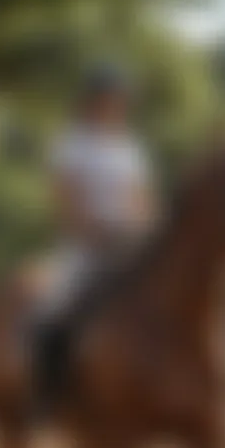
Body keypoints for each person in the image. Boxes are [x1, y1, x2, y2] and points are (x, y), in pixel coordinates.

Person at [33, 62, 155, 413]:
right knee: (53, 309)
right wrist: (95, 231)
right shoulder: (70, 144)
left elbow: (142, 198)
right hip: (85, 245)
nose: (115, 106)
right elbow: (64, 199)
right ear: (89, 103)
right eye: (107, 99)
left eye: (119, 100)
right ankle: (48, 393)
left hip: (130, 243)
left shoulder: (130, 147)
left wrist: (147, 229)